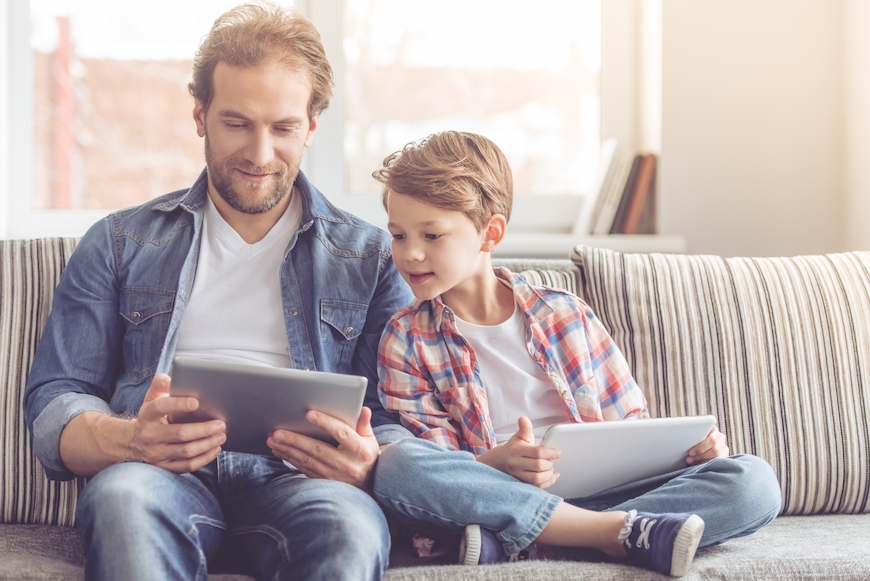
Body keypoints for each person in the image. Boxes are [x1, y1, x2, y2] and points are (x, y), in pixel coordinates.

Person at [22, 4, 414, 580]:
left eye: (282, 128)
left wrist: (370, 460)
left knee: (350, 527)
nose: (259, 154)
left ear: (310, 127)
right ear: (200, 115)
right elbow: (56, 403)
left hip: (304, 485)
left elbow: (400, 414)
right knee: (124, 502)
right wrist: (132, 440)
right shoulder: (117, 242)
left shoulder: (374, 258)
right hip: (158, 475)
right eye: (237, 123)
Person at [370, 131, 782, 577]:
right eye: (397, 235)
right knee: (397, 465)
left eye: (431, 235)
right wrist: (496, 462)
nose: (410, 253)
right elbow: (439, 463)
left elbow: (630, 429)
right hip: (498, 492)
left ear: (490, 233)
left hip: (607, 493)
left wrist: (690, 454)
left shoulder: (564, 314)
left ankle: (541, 541)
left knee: (753, 482)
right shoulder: (405, 337)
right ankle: (615, 536)